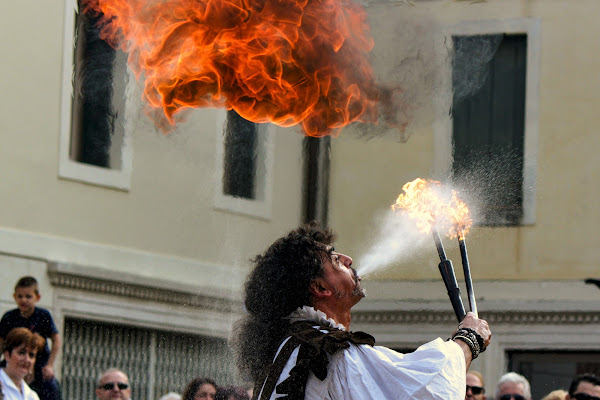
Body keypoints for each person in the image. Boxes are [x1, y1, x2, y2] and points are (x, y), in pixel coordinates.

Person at [231, 222, 492, 400]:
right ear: (320, 287)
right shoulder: (328, 351)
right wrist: (468, 340)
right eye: (335, 259)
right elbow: (419, 389)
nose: (348, 259)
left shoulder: (291, 347)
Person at [0, 276, 62, 400]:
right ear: (14, 297)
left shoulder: (43, 315)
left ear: (37, 297)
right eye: (20, 296)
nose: (24, 300)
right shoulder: (9, 317)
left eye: (28, 296)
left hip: (40, 363)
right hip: (12, 360)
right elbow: (1, 342)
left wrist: (50, 365)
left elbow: (56, 340)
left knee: (52, 387)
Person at [0, 327, 46, 400]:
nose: (27, 359)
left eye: (31, 355)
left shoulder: (32, 396)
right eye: (21, 352)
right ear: (7, 355)